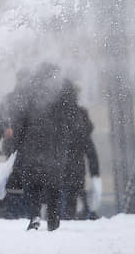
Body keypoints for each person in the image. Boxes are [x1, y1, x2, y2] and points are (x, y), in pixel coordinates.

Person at [5, 65, 80, 231]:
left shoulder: (30, 92)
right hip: (55, 146)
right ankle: (53, 220)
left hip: (32, 145)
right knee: (54, 185)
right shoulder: (63, 91)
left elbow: (20, 121)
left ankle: (35, 215)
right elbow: (73, 119)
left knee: (33, 184)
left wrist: (15, 145)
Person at [61, 89, 100, 220]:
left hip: (60, 167)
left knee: (62, 198)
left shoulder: (57, 116)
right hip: (77, 167)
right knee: (75, 191)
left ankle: (65, 218)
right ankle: (84, 213)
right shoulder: (80, 117)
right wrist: (95, 172)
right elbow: (90, 150)